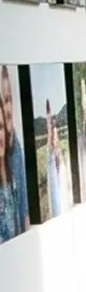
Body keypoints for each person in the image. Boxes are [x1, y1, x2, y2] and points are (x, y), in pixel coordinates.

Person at [0, 67, 26, 241]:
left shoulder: (14, 155)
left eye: (0, 127)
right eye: (5, 99)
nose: (8, 107)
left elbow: (24, 211)